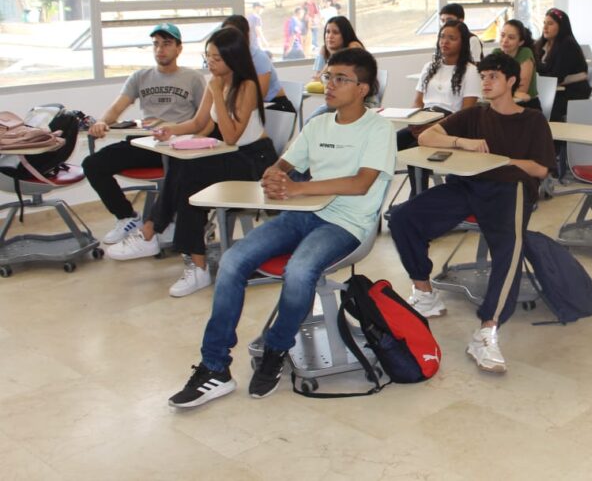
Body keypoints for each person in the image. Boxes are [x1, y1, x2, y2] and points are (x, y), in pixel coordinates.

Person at [168, 48, 394, 408]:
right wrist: (275, 176)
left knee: (300, 270)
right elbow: (285, 163)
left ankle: (276, 349)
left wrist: (298, 187)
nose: (329, 84)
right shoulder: (319, 123)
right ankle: (215, 368)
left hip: (348, 224)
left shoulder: (378, 128)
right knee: (232, 260)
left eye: (341, 79)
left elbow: (361, 183)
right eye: (328, 76)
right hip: (303, 213)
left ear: (363, 88)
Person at [389, 52, 556, 374]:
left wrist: (502, 161)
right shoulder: (474, 115)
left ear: (511, 81)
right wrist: (461, 143)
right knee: (402, 217)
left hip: (511, 189)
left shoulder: (532, 119)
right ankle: (424, 292)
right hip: (467, 185)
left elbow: (541, 169)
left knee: (509, 248)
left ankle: (487, 329)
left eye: (493, 76)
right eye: (483, 77)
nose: (486, 82)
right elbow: (426, 135)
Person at [107, 28, 278, 298]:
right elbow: (199, 123)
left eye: (217, 59)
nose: (210, 63)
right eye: (207, 57)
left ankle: (156, 234)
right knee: (182, 169)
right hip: (231, 153)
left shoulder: (246, 86)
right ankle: (176, 251)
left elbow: (232, 136)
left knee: (190, 177)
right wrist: (170, 130)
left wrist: (218, 94)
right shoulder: (215, 81)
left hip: (254, 159)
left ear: (233, 59)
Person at [82, 23, 205, 245]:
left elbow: (203, 119)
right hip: (145, 143)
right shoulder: (140, 77)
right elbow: (117, 108)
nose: (160, 49)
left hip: (176, 145)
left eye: (166, 44)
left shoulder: (193, 78)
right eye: (156, 44)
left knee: (183, 171)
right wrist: (101, 121)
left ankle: (168, 222)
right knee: (92, 164)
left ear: (179, 48)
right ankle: (127, 217)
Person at [399, 20, 481, 152]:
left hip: (450, 125)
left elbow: (466, 113)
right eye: (442, 37)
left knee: (414, 149)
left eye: (452, 38)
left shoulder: (471, 71)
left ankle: (419, 174)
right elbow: (417, 102)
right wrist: (415, 123)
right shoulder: (429, 67)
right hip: (424, 120)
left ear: (463, 43)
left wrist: (433, 127)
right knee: (395, 141)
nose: (445, 42)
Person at [221, 15, 294, 112]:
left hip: (276, 106)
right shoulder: (228, 57)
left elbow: (260, 96)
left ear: (244, 35)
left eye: (232, 35)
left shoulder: (259, 57)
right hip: (252, 108)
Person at [534, 7, 591, 122]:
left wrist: (538, 70)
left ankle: (555, 139)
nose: (545, 27)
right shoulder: (541, 44)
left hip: (572, 92)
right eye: (544, 23)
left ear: (561, 26)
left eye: (550, 24)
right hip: (553, 90)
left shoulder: (567, 44)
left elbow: (556, 76)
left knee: (541, 109)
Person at [493, 18, 538, 108]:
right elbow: (491, 83)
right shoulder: (496, 53)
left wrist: (499, 89)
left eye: (511, 37)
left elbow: (522, 90)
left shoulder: (525, 53)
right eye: (502, 35)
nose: (505, 40)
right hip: (502, 103)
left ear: (520, 42)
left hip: (526, 106)